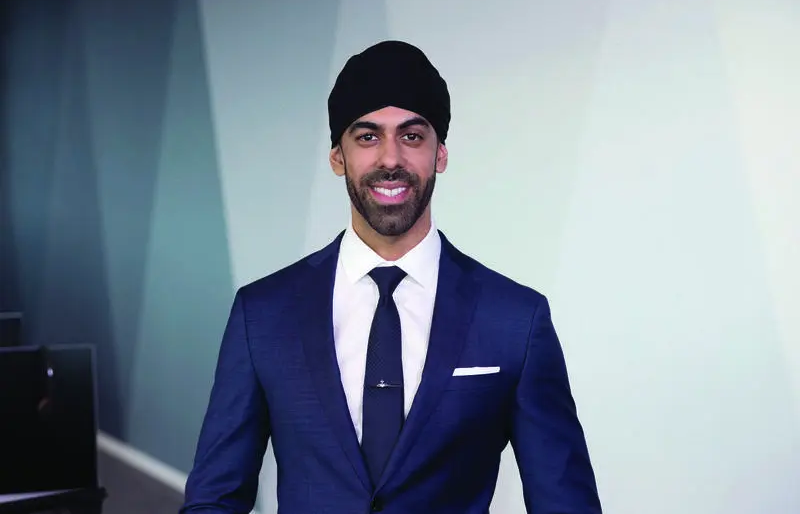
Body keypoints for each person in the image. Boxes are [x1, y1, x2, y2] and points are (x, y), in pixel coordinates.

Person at [181, 40, 601, 514]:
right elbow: (214, 499)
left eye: (412, 136)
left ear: (440, 154)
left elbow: (566, 504)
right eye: (367, 137)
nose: (390, 158)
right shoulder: (262, 314)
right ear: (337, 157)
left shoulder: (515, 319)